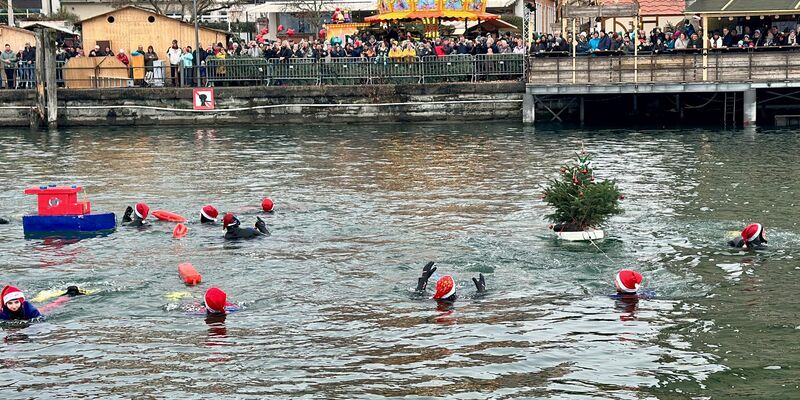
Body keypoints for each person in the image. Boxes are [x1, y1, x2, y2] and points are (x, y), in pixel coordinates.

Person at [414, 261, 486, 303]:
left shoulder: (430, 299)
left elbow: (417, 294)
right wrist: (482, 290)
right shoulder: (463, 300)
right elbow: (480, 299)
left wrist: (424, 277)